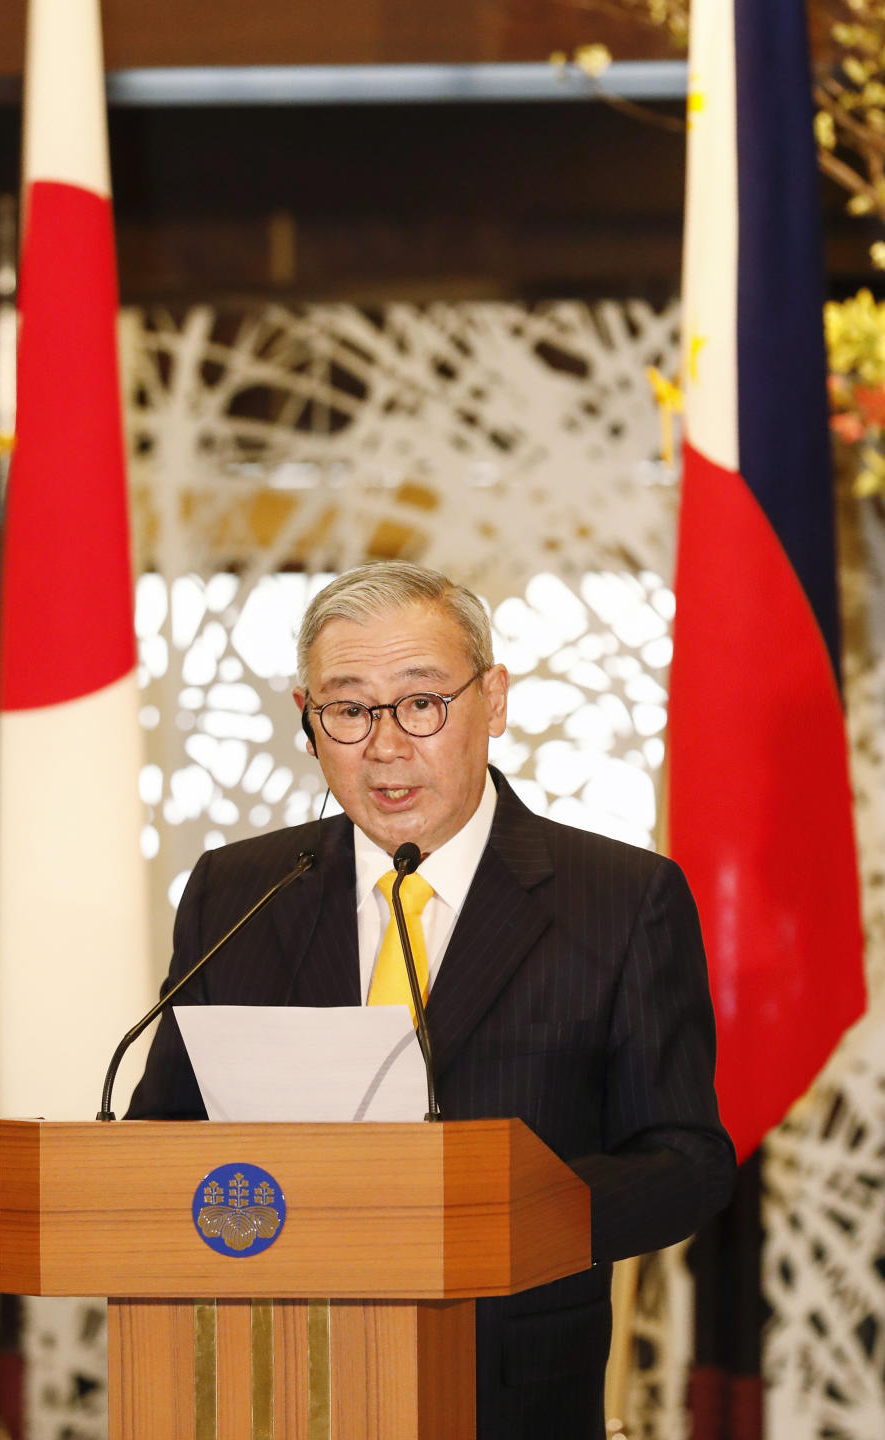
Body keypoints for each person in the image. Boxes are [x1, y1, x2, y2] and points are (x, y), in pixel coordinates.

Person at [128, 560, 736, 1439]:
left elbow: (685, 1161)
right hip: (269, 1383)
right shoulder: (241, 892)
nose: (385, 746)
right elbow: (164, 1138)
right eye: (347, 709)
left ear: (492, 700)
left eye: (422, 703)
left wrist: (505, 1216)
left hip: (507, 1391)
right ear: (308, 719)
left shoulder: (619, 898)